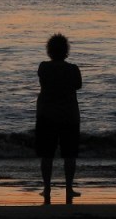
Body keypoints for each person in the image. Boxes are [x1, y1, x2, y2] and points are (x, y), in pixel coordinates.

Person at [35, 34, 82, 205]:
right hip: (69, 115)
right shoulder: (73, 69)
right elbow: (78, 85)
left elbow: (43, 82)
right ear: (66, 50)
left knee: (47, 154)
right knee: (69, 154)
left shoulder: (44, 68)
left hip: (47, 115)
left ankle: (47, 187)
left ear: (49, 50)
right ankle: (69, 188)